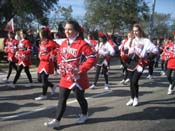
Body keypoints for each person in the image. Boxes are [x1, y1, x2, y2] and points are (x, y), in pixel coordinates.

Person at [44, 20, 96, 128]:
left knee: (79, 97)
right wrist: (60, 66)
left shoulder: (82, 44)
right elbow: (59, 56)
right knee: (62, 98)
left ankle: (84, 114)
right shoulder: (63, 43)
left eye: (70, 29)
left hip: (77, 77)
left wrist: (80, 69)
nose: (67, 31)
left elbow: (92, 58)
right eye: (66, 29)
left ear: (76, 31)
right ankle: (57, 120)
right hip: (65, 77)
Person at [126, 23, 158, 107]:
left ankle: (136, 98)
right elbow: (127, 49)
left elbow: (155, 50)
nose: (135, 32)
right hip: (132, 63)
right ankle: (132, 98)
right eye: (134, 31)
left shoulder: (146, 41)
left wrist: (147, 57)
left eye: (137, 31)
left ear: (140, 31)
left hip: (140, 63)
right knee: (131, 82)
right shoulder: (133, 40)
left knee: (134, 81)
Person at [35, 27, 59, 101]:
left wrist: (52, 54)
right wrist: (39, 54)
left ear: (44, 34)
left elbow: (58, 48)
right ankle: (52, 85)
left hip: (47, 63)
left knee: (44, 79)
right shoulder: (41, 42)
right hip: (41, 62)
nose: (39, 35)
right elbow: (41, 50)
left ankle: (44, 95)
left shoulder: (51, 42)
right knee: (39, 79)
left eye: (40, 34)